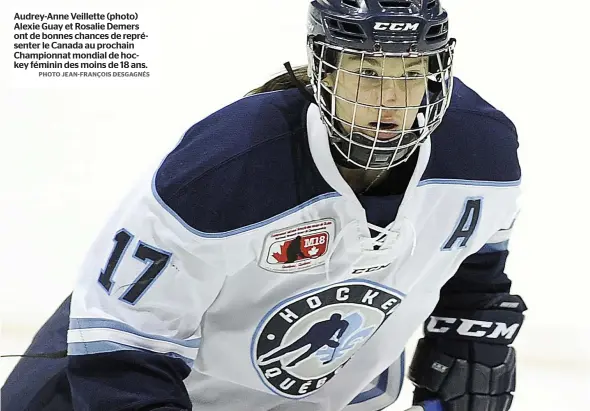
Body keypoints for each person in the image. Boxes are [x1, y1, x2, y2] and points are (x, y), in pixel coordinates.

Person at [1, 1, 527, 410]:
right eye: (367, 72)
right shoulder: (225, 172)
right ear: (323, 67)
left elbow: (474, 280)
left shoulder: (480, 154)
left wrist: (467, 349)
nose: (390, 99)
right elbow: (120, 354)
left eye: (411, 72)